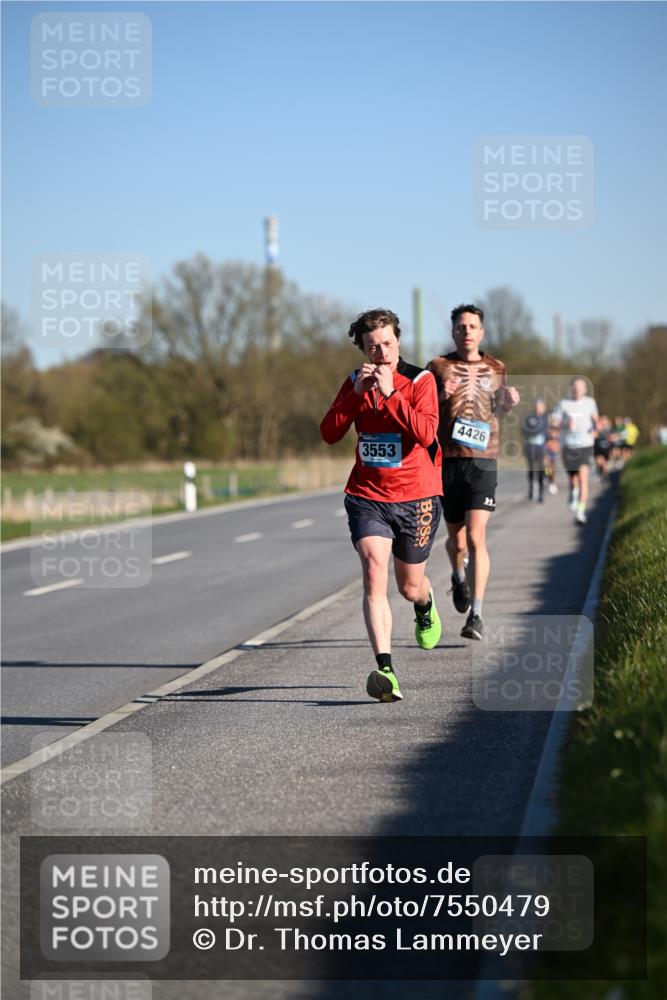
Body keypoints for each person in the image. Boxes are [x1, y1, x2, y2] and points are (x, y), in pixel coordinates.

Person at [320, 308, 443, 703]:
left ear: (398, 342)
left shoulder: (420, 380)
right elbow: (329, 433)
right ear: (363, 349)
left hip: (417, 496)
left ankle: (425, 604)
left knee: (408, 587)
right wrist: (355, 398)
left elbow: (426, 433)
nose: (381, 354)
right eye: (372, 347)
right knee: (374, 569)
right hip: (368, 495)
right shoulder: (355, 383)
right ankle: (386, 670)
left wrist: (390, 394)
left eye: (387, 344)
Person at [427, 304, 520, 641]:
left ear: (481, 332)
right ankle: (457, 576)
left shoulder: (497, 367)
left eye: (472, 326)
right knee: (457, 540)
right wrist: (441, 394)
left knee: (477, 536)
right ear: (453, 332)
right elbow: (421, 411)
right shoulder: (437, 366)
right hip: (448, 459)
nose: (467, 331)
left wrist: (507, 404)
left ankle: (476, 614)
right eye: (461, 326)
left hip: (483, 459)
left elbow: (499, 411)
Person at [553, 377, 599, 525]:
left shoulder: (590, 403)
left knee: (583, 478)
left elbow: (595, 420)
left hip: (586, 445)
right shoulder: (563, 404)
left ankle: (581, 512)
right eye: (575, 387)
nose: (577, 389)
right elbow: (553, 421)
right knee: (573, 480)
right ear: (571, 389)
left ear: (585, 389)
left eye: (580, 387)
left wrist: (595, 430)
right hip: (568, 446)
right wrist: (565, 423)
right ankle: (573, 492)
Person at [521, 399, 548, 502]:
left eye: (540, 406)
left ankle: (541, 493)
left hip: (541, 448)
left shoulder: (546, 418)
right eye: (537, 406)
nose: (538, 408)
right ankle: (531, 489)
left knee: (541, 469)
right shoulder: (529, 418)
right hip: (530, 446)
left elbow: (548, 433)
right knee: (531, 469)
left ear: (544, 407)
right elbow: (523, 430)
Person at [544, 414, 561, 494]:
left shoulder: (560, 430)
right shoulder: (547, 430)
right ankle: (548, 477)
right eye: (552, 420)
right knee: (547, 466)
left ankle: (552, 482)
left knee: (553, 468)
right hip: (547, 451)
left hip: (555, 452)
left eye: (555, 420)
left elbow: (561, 441)